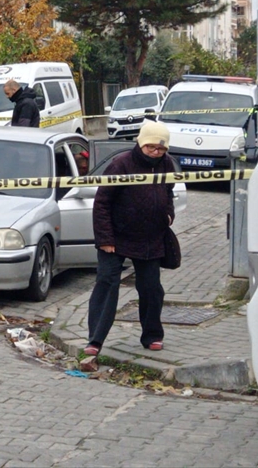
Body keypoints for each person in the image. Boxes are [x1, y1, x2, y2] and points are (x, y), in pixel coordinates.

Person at [85, 121, 176, 356]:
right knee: (107, 284)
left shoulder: (167, 164)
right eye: (151, 147)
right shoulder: (121, 164)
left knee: (151, 288)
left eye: (161, 149)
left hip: (150, 238)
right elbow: (102, 203)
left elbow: (168, 192)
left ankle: (152, 335)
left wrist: (168, 214)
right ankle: (95, 340)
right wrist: (105, 238)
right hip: (116, 237)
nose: (156, 152)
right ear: (141, 143)